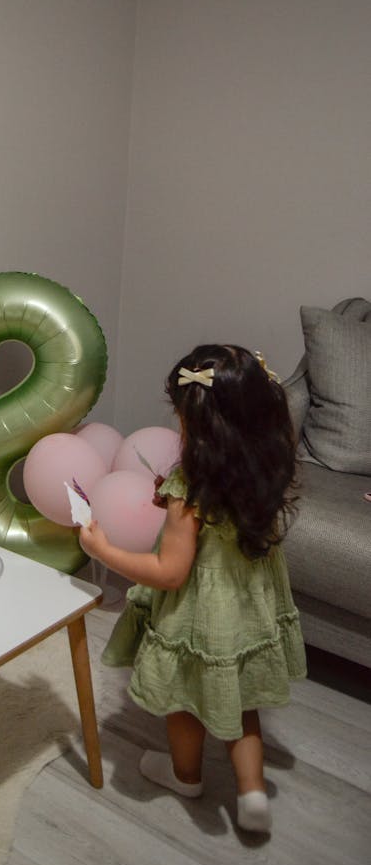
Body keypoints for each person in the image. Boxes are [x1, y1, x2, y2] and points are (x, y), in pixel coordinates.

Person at [79, 344, 307, 833]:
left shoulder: (193, 488)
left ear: (201, 430)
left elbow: (169, 572)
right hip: (248, 612)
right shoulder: (268, 472)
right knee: (241, 704)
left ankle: (185, 776)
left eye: (182, 419)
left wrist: (102, 551)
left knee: (185, 701)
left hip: (200, 615)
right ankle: (251, 794)